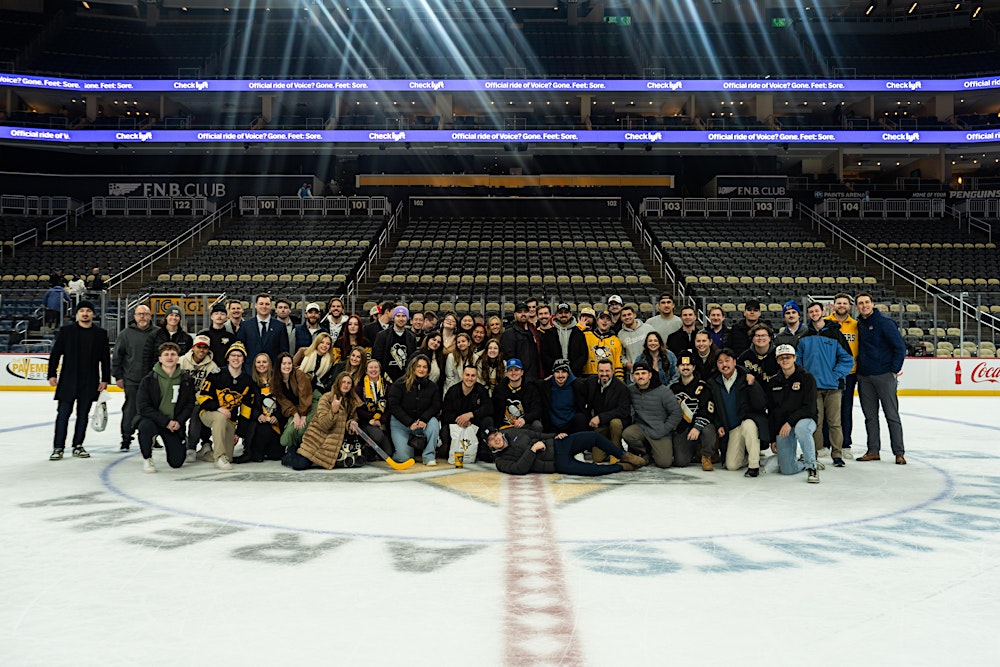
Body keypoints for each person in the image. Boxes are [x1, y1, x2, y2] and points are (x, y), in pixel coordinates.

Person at [47, 300, 110, 460]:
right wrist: (52, 374)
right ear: (77, 314)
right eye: (81, 311)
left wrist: (105, 379)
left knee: (83, 415)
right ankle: (58, 447)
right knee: (63, 415)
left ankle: (78, 445)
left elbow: (105, 359)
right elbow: (55, 354)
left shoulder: (100, 334)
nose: (85, 313)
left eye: (88, 311)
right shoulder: (66, 331)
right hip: (68, 380)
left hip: (89, 381)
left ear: (93, 314)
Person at [798, 303, 854, 468]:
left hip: (833, 388)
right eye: (811, 312)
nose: (814, 313)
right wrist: (805, 379)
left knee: (835, 422)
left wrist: (835, 375)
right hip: (813, 389)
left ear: (823, 312)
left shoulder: (835, 334)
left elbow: (847, 359)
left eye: (817, 311)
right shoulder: (804, 337)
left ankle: (837, 454)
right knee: (816, 422)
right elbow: (798, 361)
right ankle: (813, 453)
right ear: (808, 315)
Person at [855, 292, 908, 465]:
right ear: (857, 307)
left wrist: (893, 371)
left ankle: (899, 452)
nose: (864, 305)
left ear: (872, 303)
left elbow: (900, 347)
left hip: (884, 375)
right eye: (861, 303)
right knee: (870, 417)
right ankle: (873, 450)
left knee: (891, 415)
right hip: (864, 377)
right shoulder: (859, 325)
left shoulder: (884, 323)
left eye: (867, 302)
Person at [135, 342, 196, 472]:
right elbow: (143, 407)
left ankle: (179, 440)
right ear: (160, 358)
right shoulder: (149, 379)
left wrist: (179, 421)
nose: (169, 357)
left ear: (178, 357)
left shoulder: (186, 379)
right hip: (155, 421)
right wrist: (165, 421)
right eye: (166, 354)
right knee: (145, 426)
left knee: (176, 463)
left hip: (174, 424)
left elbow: (189, 404)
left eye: (173, 354)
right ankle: (147, 457)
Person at [283, 373, 362, 471]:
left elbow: (349, 419)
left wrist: (351, 423)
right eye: (343, 382)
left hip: (334, 441)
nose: (346, 385)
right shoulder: (326, 398)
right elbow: (324, 424)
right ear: (338, 383)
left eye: (349, 383)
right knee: (300, 465)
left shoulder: (352, 401)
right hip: (318, 439)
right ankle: (290, 452)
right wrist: (333, 411)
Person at [488, 427, 645, 476]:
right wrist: (532, 450)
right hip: (557, 463)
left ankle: (624, 455)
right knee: (592, 470)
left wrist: (554, 435)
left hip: (559, 444)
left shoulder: (512, 432)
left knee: (593, 436)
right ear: (490, 446)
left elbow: (535, 435)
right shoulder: (501, 461)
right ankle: (622, 466)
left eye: (495, 435)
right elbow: (518, 469)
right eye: (491, 440)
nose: (496, 439)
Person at [709, 349, 768, 477]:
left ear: (735, 362)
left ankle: (754, 466)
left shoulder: (746, 378)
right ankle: (752, 453)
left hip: (746, 421)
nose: (724, 364)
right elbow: (714, 409)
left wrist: (753, 386)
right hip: (732, 428)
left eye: (727, 360)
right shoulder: (714, 383)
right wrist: (719, 424)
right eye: (720, 362)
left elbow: (761, 403)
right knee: (732, 466)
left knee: (749, 425)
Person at [196, 342, 255, 471]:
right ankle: (219, 457)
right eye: (233, 355)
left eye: (239, 355)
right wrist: (218, 408)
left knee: (230, 457)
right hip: (208, 413)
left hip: (230, 419)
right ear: (228, 358)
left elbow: (246, 410)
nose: (236, 358)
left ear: (243, 359)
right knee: (220, 418)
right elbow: (202, 397)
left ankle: (208, 454)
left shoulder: (247, 381)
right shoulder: (216, 374)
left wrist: (239, 433)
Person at [768, 344, 822, 483]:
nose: (785, 360)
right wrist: (773, 438)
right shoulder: (774, 382)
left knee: (801, 429)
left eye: (788, 357)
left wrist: (790, 422)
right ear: (777, 360)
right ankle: (803, 463)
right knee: (787, 470)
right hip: (784, 425)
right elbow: (773, 412)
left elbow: (809, 407)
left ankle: (812, 467)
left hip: (805, 419)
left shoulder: (807, 378)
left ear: (794, 358)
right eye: (781, 358)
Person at [112, 303, 158, 451]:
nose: (143, 317)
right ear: (135, 317)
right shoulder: (125, 334)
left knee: (153, 409)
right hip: (132, 379)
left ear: (150, 316)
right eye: (140, 314)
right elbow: (117, 356)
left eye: (145, 314)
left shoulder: (158, 332)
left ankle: (152, 437)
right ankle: (126, 438)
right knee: (130, 410)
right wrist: (118, 376)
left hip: (154, 380)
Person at [622, 361, 683, 468]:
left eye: (643, 373)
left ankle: (658, 450)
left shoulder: (663, 391)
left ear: (650, 375)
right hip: (641, 428)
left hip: (660, 431)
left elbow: (676, 413)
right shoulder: (630, 390)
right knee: (628, 434)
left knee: (664, 463)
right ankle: (646, 452)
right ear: (633, 377)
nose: (640, 377)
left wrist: (664, 429)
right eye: (637, 374)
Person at [386, 354, 442, 466]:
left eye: (425, 367)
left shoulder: (433, 387)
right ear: (413, 367)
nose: (421, 369)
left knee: (434, 424)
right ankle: (406, 451)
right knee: (404, 458)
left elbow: (436, 406)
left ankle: (429, 456)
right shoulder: (400, 383)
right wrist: (409, 422)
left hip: (422, 423)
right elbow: (393, 406)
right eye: (418, 366)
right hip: (401, 424)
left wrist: (424, 419)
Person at [670, 353, 719, 471]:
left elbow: (707, 411)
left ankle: (706, 455)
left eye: (688, 365)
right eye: (682, 364)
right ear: (678, 367)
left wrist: (697, 427)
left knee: (708, 430)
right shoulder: (673, 388)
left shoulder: (703, 386)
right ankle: (695, 449)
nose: (685, 367)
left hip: (702, 424)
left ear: (694, 367)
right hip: (683, 426)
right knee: (681, 461)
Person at [233, 353, 285, 463]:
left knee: (276, 455)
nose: (261, 365)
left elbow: (284, 403)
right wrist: (258, 415)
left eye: (264, 362)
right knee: (258, 453)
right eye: (258, 362)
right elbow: (247, 406)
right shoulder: (250, 382)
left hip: (276, 423)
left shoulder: (278, 381)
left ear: (269, 364)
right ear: (255, 365)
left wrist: (277, 416)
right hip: (258, 423)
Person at [577, 358, 631, 462]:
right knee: (597, 459)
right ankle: (608, 447)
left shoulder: (622, 387)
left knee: (615, 423)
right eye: (601, 371)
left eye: (607, 371)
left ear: (612, 371)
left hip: (616, 423)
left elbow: (623, 410)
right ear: (597, 371)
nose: (604, 374)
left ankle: (616, 452)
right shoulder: (591, 381)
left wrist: (600, 417)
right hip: (602, 426)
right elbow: (576, 382)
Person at [826, 293, 859, 457]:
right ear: (833, 306)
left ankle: (845, 444)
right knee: (827, 410)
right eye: (838, 303)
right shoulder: (826, 323)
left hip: (849, 374)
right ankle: (826, 444)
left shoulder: (855, 325)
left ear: (849, 306)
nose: (841, 305)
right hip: (829, 374)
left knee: (846, 410)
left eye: (844, 303)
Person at [441, 365, 495, 464]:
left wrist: (472, 414)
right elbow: (445, 415)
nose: (470, 378)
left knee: (488, 420)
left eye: (473, 376)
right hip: (456, 425)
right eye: (467, 375)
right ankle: (450, 450)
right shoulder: (452, 391)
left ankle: (483, 451)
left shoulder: (481, 390)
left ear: (476, 377)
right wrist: (460, 420)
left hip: (475, 425)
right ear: (462, 375)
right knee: (444, 431)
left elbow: (489, 408)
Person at [178, 334, 218, 462]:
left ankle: (192, 447)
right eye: (199, 347)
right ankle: (181, 442)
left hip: (199, 400)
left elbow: (212, 387)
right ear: (193, 347)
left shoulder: (212, 366)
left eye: (205, 348)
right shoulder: (181, 361)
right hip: (181, 400)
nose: (201, 350)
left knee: (197, 414)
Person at [273, 351, 316, 453]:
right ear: (279, 365)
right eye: (284, 363)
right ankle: (293, 448)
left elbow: (305, 395)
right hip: (296, 407)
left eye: (289, 363)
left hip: (311, 402)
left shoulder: (299, 374)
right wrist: (295, 414)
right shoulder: (275, 380)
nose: (287, 366)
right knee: (286, 437)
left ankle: (302, 449)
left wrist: (303, 415)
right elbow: (283, 401)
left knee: (302, 428)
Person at [236, 293, 289, 371]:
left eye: (267, 304)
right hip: (249, 371)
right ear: (255, 305)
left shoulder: (280, 326)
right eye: (261, 304)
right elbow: (240, 349)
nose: (264, 306)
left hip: (273, 372)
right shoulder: (245, 325)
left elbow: (284, 351)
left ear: (271, 306)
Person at [493, 358, 544, 432]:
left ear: (522, 372)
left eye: (516, 370)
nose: (513, 373)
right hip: (505, 427)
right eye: (510, 370)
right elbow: (494, 411)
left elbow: (537, 409)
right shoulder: (499, 389)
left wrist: (525, 419)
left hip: (525, 426)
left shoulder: (531, 388)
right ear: (506, 373)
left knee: (537, 425)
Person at [355, 358, 392, 460]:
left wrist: (381, 420)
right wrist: (372, 418)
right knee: (378, 436)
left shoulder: (387, 385)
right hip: (366, 421)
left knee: (388, 453)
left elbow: (391, 407)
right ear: (366, 371)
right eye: (371, 367)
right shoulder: (359, 387)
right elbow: (358, 409)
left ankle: (370, 450)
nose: (373, 370)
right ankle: (367, 447)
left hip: (382, 422)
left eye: (376, 367)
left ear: (380, 370)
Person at [371, 305, 418, 382]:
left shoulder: (411, 337)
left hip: (405, 379)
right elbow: (376, 357)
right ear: (393, 318)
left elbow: (413, 359)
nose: (401, 319)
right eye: (398, 316)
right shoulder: (382, 335)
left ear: (407, 318)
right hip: (386, 378)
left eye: (403, 316)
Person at [540, 302, 587, 377]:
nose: (563, 315)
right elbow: (544, 354)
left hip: (574, 375)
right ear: (556, 315)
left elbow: (584, 355)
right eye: (560, 313)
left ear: (570, 314)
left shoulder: (579, 333)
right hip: (554, 375)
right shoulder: (549, 333)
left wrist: (571, 369)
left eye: (566, 312)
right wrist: (556, 366)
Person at [540, 358, 586, 433]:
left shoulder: (578, 386)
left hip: (571, 424)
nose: (560, 375)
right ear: (553, 374)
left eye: (564, 372)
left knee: (581, 418)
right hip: (553, 426)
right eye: (557, 372)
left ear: (568, 373)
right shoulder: (545, 386)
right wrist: (543, 381)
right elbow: (531, 382)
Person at [142, 305, 193, 372]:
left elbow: (189, 359)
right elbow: (147, 357)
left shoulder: (186, 338)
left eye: (177, 315)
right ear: (166, 317)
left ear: (180, 319)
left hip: (178, 374)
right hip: (157, 374)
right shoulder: (154, 335)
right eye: (171, 315)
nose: (174, 318)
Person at [501, 302, 542, 380]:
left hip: (535, 376)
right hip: (519, 378)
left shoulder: (534, 332)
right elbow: (509, 357)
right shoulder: (509, 333)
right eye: (519, 312)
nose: (523, 314)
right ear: (515, 315)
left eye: (525, 312)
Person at [582, 310, 625, 380]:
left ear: (611, 323)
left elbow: (618, 363)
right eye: (602, 318)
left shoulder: (616, 340)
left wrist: (620, 381)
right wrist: (580, 327)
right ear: (597, 321)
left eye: (608, 319)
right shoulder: (586, 336)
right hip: (588, 377)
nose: (605, 321)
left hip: (608, 377)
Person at [616, 304, 653, 378]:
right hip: (632, 373)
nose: (627, 317)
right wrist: (627, 364)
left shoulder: (648, 328)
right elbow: (621, 354)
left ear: (634, 315)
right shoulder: (620, 335)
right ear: (621, 318)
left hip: (650, 370)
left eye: (629, 314)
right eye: (624, 315)